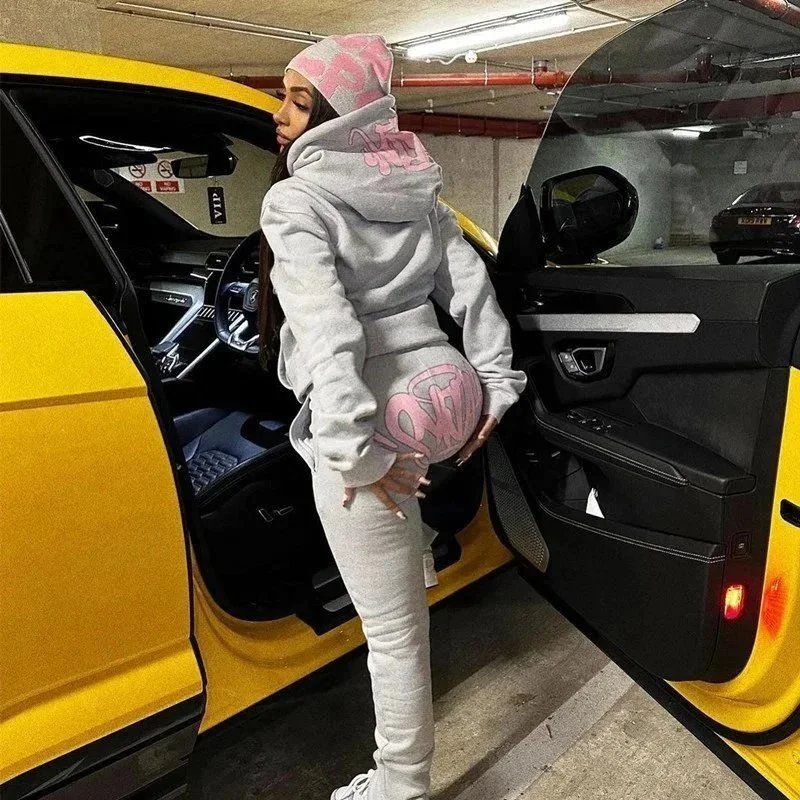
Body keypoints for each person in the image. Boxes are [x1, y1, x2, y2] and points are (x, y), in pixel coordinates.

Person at [258, 34, 527, 800]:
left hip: (376, 416)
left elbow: (329, 332)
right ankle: (413, 552)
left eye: (299, 102)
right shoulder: (417, 187)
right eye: (283, 97)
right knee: (403, 558)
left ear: (341, 117)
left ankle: (400, 786)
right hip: (447, 396)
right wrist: (497, 383)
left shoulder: (296, 199)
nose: (280, 115)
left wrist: (354, 454)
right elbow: (472, 293)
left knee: (393, 634)